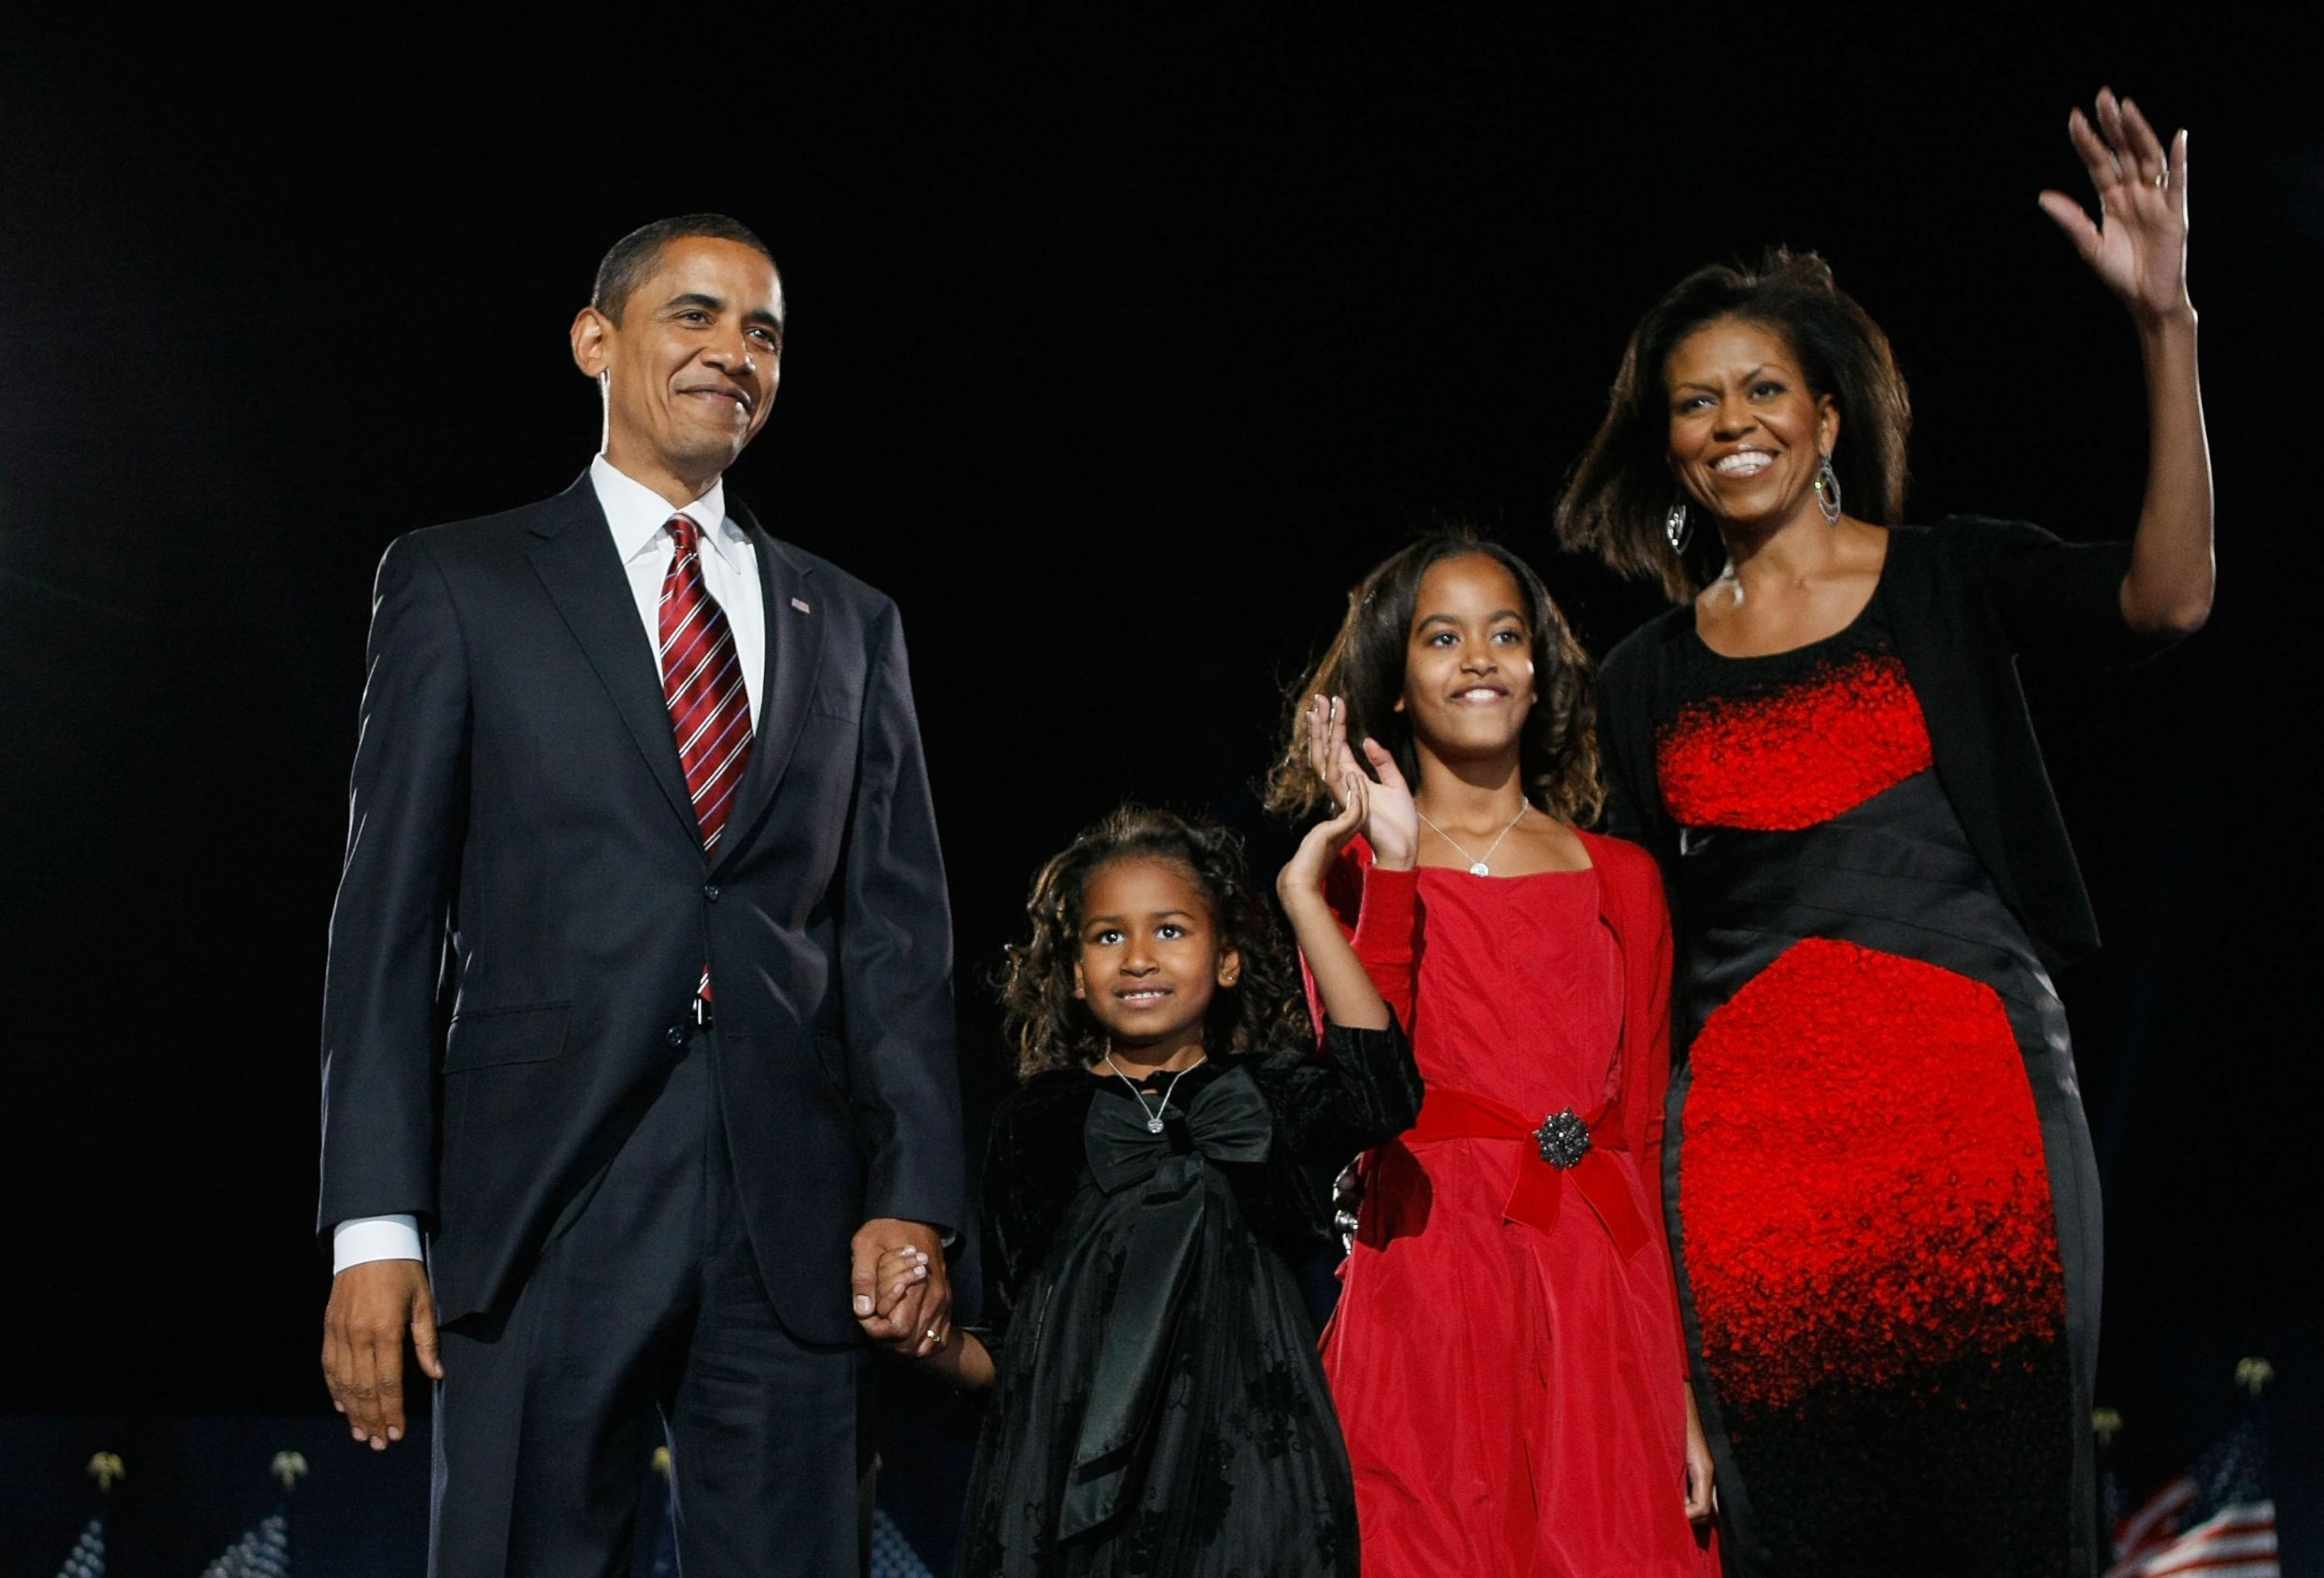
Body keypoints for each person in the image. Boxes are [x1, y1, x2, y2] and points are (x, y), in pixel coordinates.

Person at [1550, 92, 2212, 1577]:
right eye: (1696, 404)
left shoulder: (1948, 580)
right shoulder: (1638, 683)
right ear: (1666, 447)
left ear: (1827, 414)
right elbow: (1640, 986)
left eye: (1762, 391)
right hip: (1750, 1190)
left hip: (1979, 1135)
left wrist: (2166, 328)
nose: (1733, 426)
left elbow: (2167, 600)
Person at [315, 213, 964, 1575]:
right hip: (546, 1191)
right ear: (595, 341)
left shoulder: (851, 622)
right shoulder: (458, 581)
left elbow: (895, 941)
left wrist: (913, 1191)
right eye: (698, 316)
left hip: (789, 1214)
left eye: (765, 332)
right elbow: (384, 926)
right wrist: (374, 1224)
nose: (736, 352)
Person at [1266, 534, 1718, 1576]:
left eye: (1505, 635)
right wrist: (1393, 862)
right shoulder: (1354, 875)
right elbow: (1368, 1079)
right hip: (1433, 1274)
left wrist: (1681, 1386)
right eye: (1443, 636)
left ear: (1538, 671)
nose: (1479, 657)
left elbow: (1644, 1132)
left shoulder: (1624, 879)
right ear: (1394, 684)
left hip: (1601, 1294)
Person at [872, 803, 1421, 1575]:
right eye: (1107, 935)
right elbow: (1008, 1346)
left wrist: (1302, 893)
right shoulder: (1036, 1122)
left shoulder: (1270, 1096)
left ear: (1226, 959)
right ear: (1072, 971)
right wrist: (926, 1340)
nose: (1137, 958)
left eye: (1170, 930)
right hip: (1065, 1492)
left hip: (1251, 1482)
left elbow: (1383, 1094)